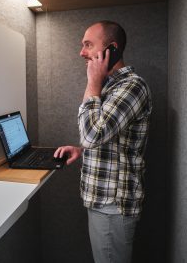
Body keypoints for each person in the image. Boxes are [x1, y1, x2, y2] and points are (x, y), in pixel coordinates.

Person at [54, 20, 152, 263]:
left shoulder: (132, 87)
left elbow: (91, 135)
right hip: (103, 201)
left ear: (112, 49)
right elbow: (105, 139)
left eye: (88, 45)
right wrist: (82, 150)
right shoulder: (110, 88)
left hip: (112, 205)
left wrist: (92, 84)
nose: (82, 52)